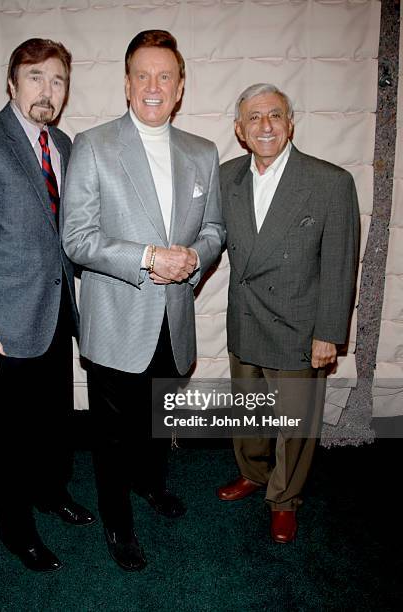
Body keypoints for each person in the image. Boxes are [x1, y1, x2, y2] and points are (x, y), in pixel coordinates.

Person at [62, 30, 224, 571]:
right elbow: (77, 238)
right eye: (142, 75)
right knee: (111, 436)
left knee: (158, 419)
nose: (153, 86)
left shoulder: (204, 152)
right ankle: (117, 523)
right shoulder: (92, 144)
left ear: (180, 88)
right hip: (116, 319)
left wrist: (194, 257)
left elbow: (216, 230)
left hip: (174, 320)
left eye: (165, 76)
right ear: (127, 83)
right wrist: (150, 256)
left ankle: (151, 485)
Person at [0, 38, 95, 572]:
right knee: (8, 438)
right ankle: (16, 529)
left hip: (55, 316)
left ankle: (51, 494)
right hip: (1, 324)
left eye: (57, 80)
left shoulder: (67, 145)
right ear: (12, 83)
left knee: (54, 422)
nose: (47, 89)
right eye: (35, 77)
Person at [217, 83, 360, 543]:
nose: (265, 126)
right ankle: (254, 474)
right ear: (240, 130)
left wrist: (329, 334)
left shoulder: (329, 182)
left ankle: (284, 499)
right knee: (249, 414)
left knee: (294, 425)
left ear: (290, 123)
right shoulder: (226, 177)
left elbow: (340, 265)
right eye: (254, 117)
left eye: (274, 115)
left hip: (299, 326)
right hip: (245, 319)